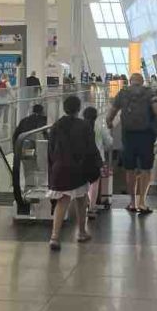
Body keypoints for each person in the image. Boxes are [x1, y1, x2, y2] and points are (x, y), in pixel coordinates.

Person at [47, 94, 101, 250]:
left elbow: (51, 150)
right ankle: (82, 232)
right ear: (78, 109)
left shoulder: (56, 126)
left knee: (62, 200)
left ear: (64, 108)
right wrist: (95, 166)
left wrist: (53, 168)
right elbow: (91, 149)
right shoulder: (84, 126)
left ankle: (55, 237)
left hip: (60, 168)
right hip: (78, 169)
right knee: (81, 199)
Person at [106, 72, 157, 214]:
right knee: (145, 169)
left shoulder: (123, 92)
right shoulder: (150, 93)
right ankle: (142, 202)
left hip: (128, 135)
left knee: (129, 169)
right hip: (146, 136)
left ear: (130, 81)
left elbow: (111, 113)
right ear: (142, 81)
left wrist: (109, 124)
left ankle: (132, 202)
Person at [83, 105, 113, 218]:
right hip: (96, 159)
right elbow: (109, 143)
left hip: (81, 159)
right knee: (94, 184)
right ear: (96, 117)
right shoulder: (100, 126)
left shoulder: (80, 126)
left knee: (83, 183)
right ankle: (91, 207)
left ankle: (83, 206)